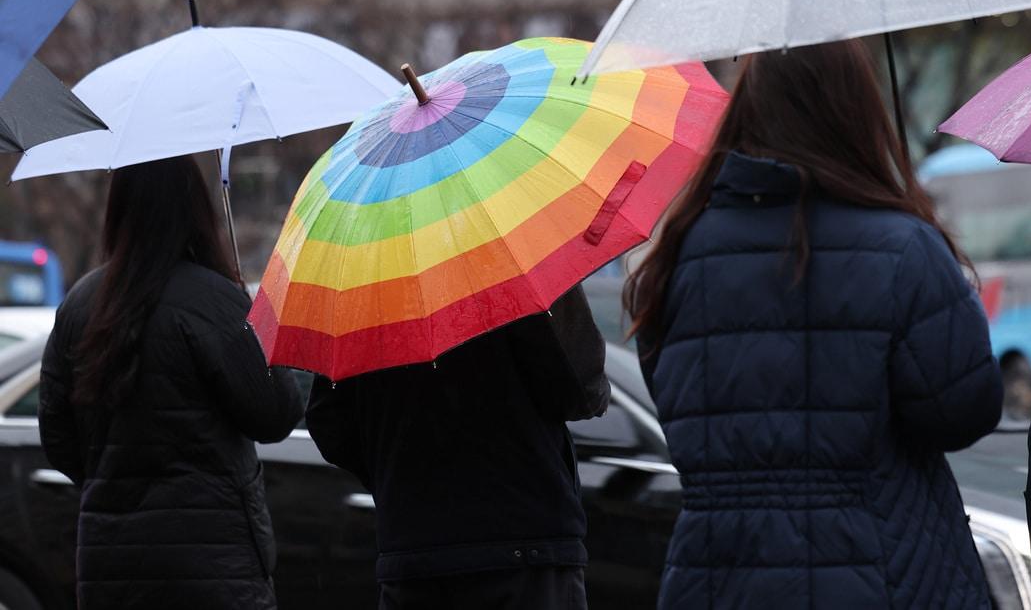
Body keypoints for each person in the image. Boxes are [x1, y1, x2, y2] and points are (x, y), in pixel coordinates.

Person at [624, 40, 1005, 609]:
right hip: (880, 572)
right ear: (856, 110)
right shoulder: (901, 249)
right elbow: (962, 412)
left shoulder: (680, 255)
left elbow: (683, 411)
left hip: (717, 581)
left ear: (746, 110)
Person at [38, 155, 305, 610]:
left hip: (112, 569)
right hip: (214, 565)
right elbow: (275, 414)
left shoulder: (80, 304)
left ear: (117, 208)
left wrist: (115, 481)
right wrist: (265, 332)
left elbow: (58, 438)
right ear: (194, 209)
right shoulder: (215, 300)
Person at [304, 286, 608, 610]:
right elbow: (581, 390)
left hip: (413, 551)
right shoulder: (516, 262)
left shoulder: (363, 288)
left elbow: (330, 422)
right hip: (523, 542)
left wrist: (400, 475)